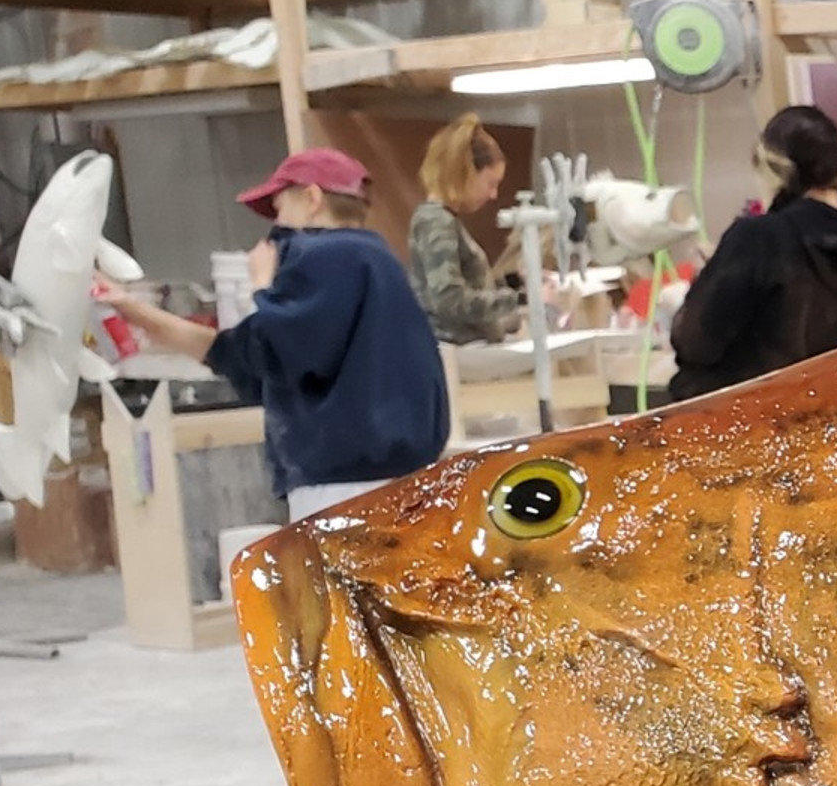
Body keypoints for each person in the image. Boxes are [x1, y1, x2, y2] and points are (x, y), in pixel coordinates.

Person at [102, 147, 449, 519]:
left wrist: (260, 287)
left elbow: (282, 348)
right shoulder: (375, 262)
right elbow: (237, 353)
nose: (275, 232)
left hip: (346, 485)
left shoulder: (325, 255)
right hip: (397, 477)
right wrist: (130, 307)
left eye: (281, 210)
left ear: (313, 198)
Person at [665, 104, 837, 402]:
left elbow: (694, 342)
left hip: (746, 430)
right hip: (823, 429)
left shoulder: (758, 238)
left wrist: (710, 276)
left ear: (771, 169)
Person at [407, 113, 524, 343]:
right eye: (491, 183)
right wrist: (520, 299)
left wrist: (513, 284)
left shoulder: (444, 220)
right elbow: (450, 300)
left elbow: (467, 284)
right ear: (466, 173)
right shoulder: (436, 222)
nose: (494, 195)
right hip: (456, 351)